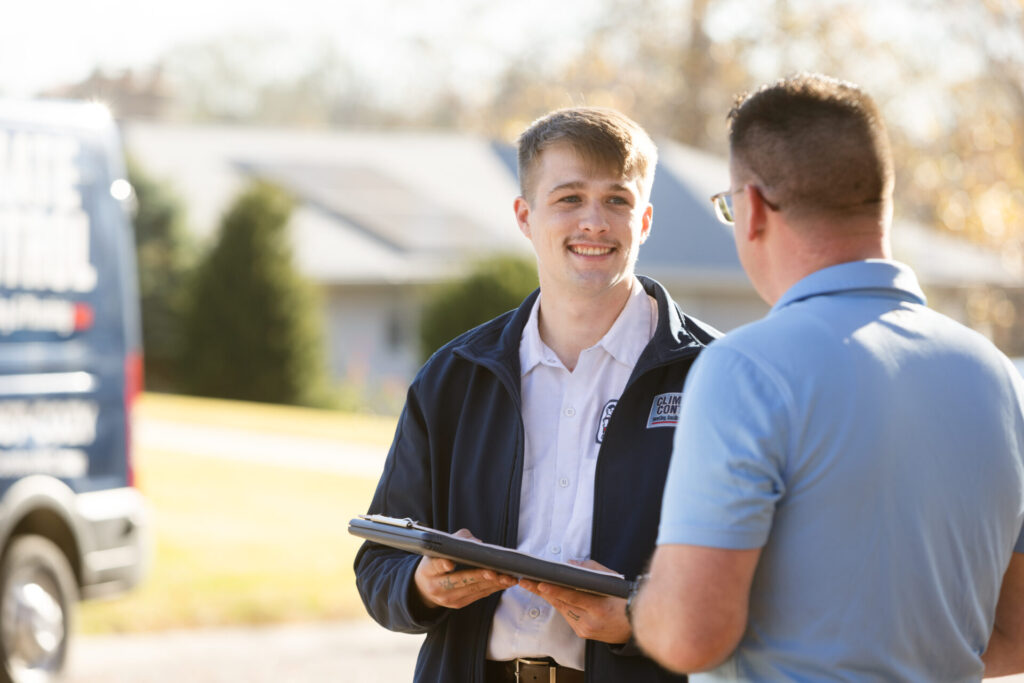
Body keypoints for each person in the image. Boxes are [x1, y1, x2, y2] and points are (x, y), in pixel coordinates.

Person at [627, 73, 1024, 680]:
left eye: (729, 207)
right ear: (881, 201)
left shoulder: (747, 368)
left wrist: (642, 602)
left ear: (753, 208)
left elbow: (688, 637)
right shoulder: (997, 377)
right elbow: (1014, 638)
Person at [354, 106, 720, 682]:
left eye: (617, 201)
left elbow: (753, 585)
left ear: (644, 220)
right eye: (569, 198)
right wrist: (420, 584)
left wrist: (637, 618)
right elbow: (379, 564)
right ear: (525, 216)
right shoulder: (454, 375)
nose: (594, 222)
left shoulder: (716, 376)